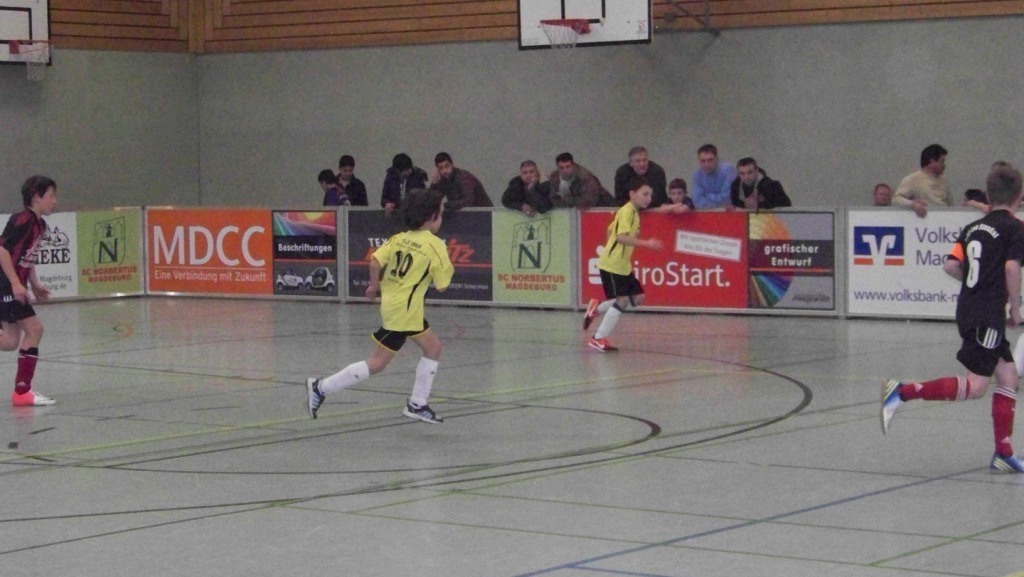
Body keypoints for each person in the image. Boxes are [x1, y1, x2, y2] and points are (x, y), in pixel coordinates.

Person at [881, 165, 1024, 473]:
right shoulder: (1015, 228)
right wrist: (1015, 307)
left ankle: (1004, 453)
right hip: (987, 315)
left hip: (969, 308)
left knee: (1008, 376)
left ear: (988, 196)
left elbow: (950, 265)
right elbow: (1012, 268)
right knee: (976, 386)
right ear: (1019, 197)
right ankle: (901, 392)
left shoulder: (973, 228)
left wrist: (975, 284)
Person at [306, 188, 454, 424]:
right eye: (441, 213)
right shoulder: (435, 246)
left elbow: (375, 262)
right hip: (404, 312)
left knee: (433, 347)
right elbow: (443, 285)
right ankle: (321, 387)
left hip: (397, 307)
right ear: (432, 216)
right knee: (377, 363)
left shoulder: (399, 238)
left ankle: (418, 403)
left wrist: (374, 287)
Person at [582, 177, 687, 352]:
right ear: (632, 194)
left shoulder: (634, 213)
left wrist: (613, 247)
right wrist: (647, 244)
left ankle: (596, 309)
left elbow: (610, 229)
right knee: (622, 301)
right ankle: (598, 338)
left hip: (623, 264)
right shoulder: (627, 212)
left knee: (638, 298)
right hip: (612, 265)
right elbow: (620, 237)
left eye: (650, 195)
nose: (648, 198)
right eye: (644, 194)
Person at [1, 175, 58, 407]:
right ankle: (22, 392)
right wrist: (16, 283)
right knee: (35, 329)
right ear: (36, 197)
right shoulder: (22, 220)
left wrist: (34, 284)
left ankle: (22, 393)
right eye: (51, 195)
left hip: (13, 285)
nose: (55, 201)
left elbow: (28, 256)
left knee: (9, 341)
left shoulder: (40, 225)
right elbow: (2, 250)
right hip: (5, 284)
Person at [892, 144, 952, 218]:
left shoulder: (944, 181)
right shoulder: (913, 179)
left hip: (943, 221)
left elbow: (951, 205)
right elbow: (896, 199)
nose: (944, 165)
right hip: (923, 221)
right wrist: (913, 205)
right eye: (942, 161)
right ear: (932, 161)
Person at [549, 152, 615, 209]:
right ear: (557, 168)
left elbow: (587, 201)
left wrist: (566, 200)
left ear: (573, 166)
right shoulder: (554, 177)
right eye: (561, 168)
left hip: (604, 207)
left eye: (568, 167)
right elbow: (553, 198)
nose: (565, 171)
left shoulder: (585, 177)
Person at [691, 144, 736, 210]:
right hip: (708, 213)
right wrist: (719, 203)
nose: (707, 165)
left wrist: (707, 195)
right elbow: (697, 202)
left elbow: (727, 198)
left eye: (710, 160)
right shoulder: (697, 176)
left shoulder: (728, 170)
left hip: (729, 213)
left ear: (717, 159)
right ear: (699, 161)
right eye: (703, 161)